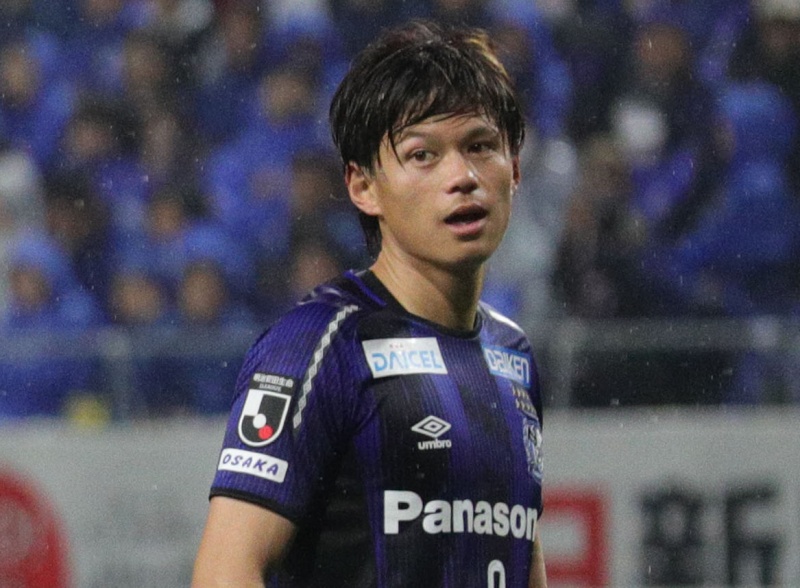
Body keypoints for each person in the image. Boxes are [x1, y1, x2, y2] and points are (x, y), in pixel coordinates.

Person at [192, 19, 547, 587]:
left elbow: (520, 558)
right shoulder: (317, 344)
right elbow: (225, 571)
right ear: (363, 187)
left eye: (481, 147)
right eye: (423, 154)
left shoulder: (515, 356)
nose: (462, 176)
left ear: (516, 169)